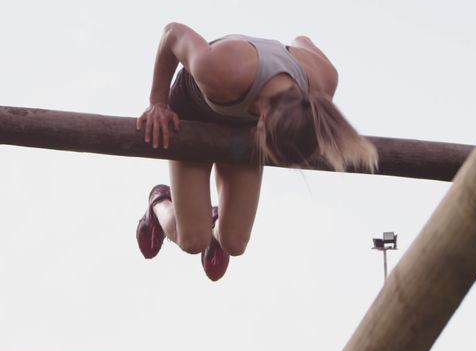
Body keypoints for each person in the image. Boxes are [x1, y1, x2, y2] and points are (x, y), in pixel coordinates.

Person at [135, 23, 378, 281]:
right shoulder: (217, 69)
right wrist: (157, 102)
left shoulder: (323, 82)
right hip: (196, 110)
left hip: (242, 123)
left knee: (235, 243)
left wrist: (296, 48)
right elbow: (173, 33)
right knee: (193, 239)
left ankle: (215, 220)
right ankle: (159, 202)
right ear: (262, 121)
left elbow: (302, 39)